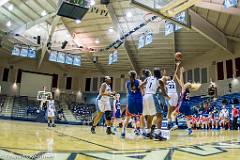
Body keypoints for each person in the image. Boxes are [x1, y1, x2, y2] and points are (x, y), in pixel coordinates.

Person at [170, 67, 201, 135]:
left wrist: (181, 73)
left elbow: (181, 81)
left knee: (173, 114)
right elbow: (180, 83)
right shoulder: (186, 90)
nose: (184, 84)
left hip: (182, 104)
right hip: (188, 105)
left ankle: (174, 124)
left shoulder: (184, 89)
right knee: (187, 118)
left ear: (186, 85)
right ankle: (190, 130)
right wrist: (176, 76)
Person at [140, 68, 169, 140]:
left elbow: (140, 86)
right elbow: (164, 93)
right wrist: (169, 97)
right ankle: (158, 133)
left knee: (150, 116)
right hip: (152, 96)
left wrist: (144, 91)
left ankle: (148, 132)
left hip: (145, 96)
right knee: (160, 115)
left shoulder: (148, 78)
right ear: (159, 73)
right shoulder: (160, 81)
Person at [121, 70, 143, 138]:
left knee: (127, 118)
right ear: (135, 76)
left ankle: (123, 131)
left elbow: (127, 94)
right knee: (138, 117)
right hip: (137, 102)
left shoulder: (127, 83)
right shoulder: (139, 81)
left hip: (130, 101)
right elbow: (142, 92)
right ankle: (138, 130)